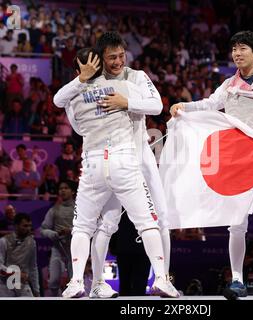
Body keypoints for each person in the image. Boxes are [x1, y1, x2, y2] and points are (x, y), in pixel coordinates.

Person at [170, 30, 253, 297]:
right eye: (234, 49)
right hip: (235, 163)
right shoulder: (228, 84)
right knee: (236, 223)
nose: (237, 53)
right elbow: (210, 104)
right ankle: (237, 280)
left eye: (243, 48)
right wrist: (185, 106)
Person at [53, 47, 179, 299]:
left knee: (84, 226)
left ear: (79, 70)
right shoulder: (125, 85)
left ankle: (78, 281)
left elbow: (67, 113)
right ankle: (162, 279)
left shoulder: (73, 96)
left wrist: (81, 82)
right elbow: (155, 106)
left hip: (94, 164)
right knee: (146, 223)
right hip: (125, 161)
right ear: (100, 63)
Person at [92, 31, 174, 294]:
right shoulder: (94, 83)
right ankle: (96, 283)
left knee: (162, 218)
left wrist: (125, 102)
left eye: (121, 55)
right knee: (106, 222)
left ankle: (163, 280)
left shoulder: (138, 76)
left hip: (142, 154)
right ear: (101, 58)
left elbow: (156, 106)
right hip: (113, 158)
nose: (117, 61)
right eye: (111, 57)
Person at [40, 180, 77, 296]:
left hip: (74, 250)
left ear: (73, 191)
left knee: (74, 281)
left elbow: (87, 228)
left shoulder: (79, 209)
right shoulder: (54, 210)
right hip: (57, 250)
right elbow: (43, 229)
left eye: (66, 188)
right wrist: (53, 234)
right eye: (61, 188)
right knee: (53, 281)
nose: (62, 190)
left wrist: (70, 231)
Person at [0, 213, 40, 297]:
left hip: (22, 284)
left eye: (29, 226)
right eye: (25, 226)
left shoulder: (32, 242)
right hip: (5, 284)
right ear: (16, 226)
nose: (28, 229)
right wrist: (16, 274)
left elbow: (33, 267)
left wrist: (36, 290)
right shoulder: (4, 241)